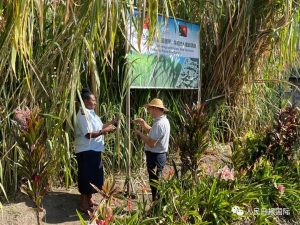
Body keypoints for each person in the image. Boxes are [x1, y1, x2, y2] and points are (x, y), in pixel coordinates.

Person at [75, 89, 117, 212]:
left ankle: (89, 199)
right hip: (87, 150)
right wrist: (106, 130)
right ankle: (83, 203)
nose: (95, 103)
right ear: (85, 101)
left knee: (94, 177)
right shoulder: (83, 114)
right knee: (86, 176)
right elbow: (88, 134)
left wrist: (111, 123)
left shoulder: (92, 113)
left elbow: (99, 128)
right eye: (93, 100)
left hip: (94, 150)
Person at [134, 98, 170, 201]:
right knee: (156, 181)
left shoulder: (159, 124)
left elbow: (151, 142)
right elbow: (152, 131)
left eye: (150, 109)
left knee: (155, 183)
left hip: (156, 156)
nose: (149, 111)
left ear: (155, 109)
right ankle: (157, 204)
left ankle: (156, 205)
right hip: (158, 155)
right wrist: (143, 123)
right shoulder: (162, 121)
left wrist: (140, 134)